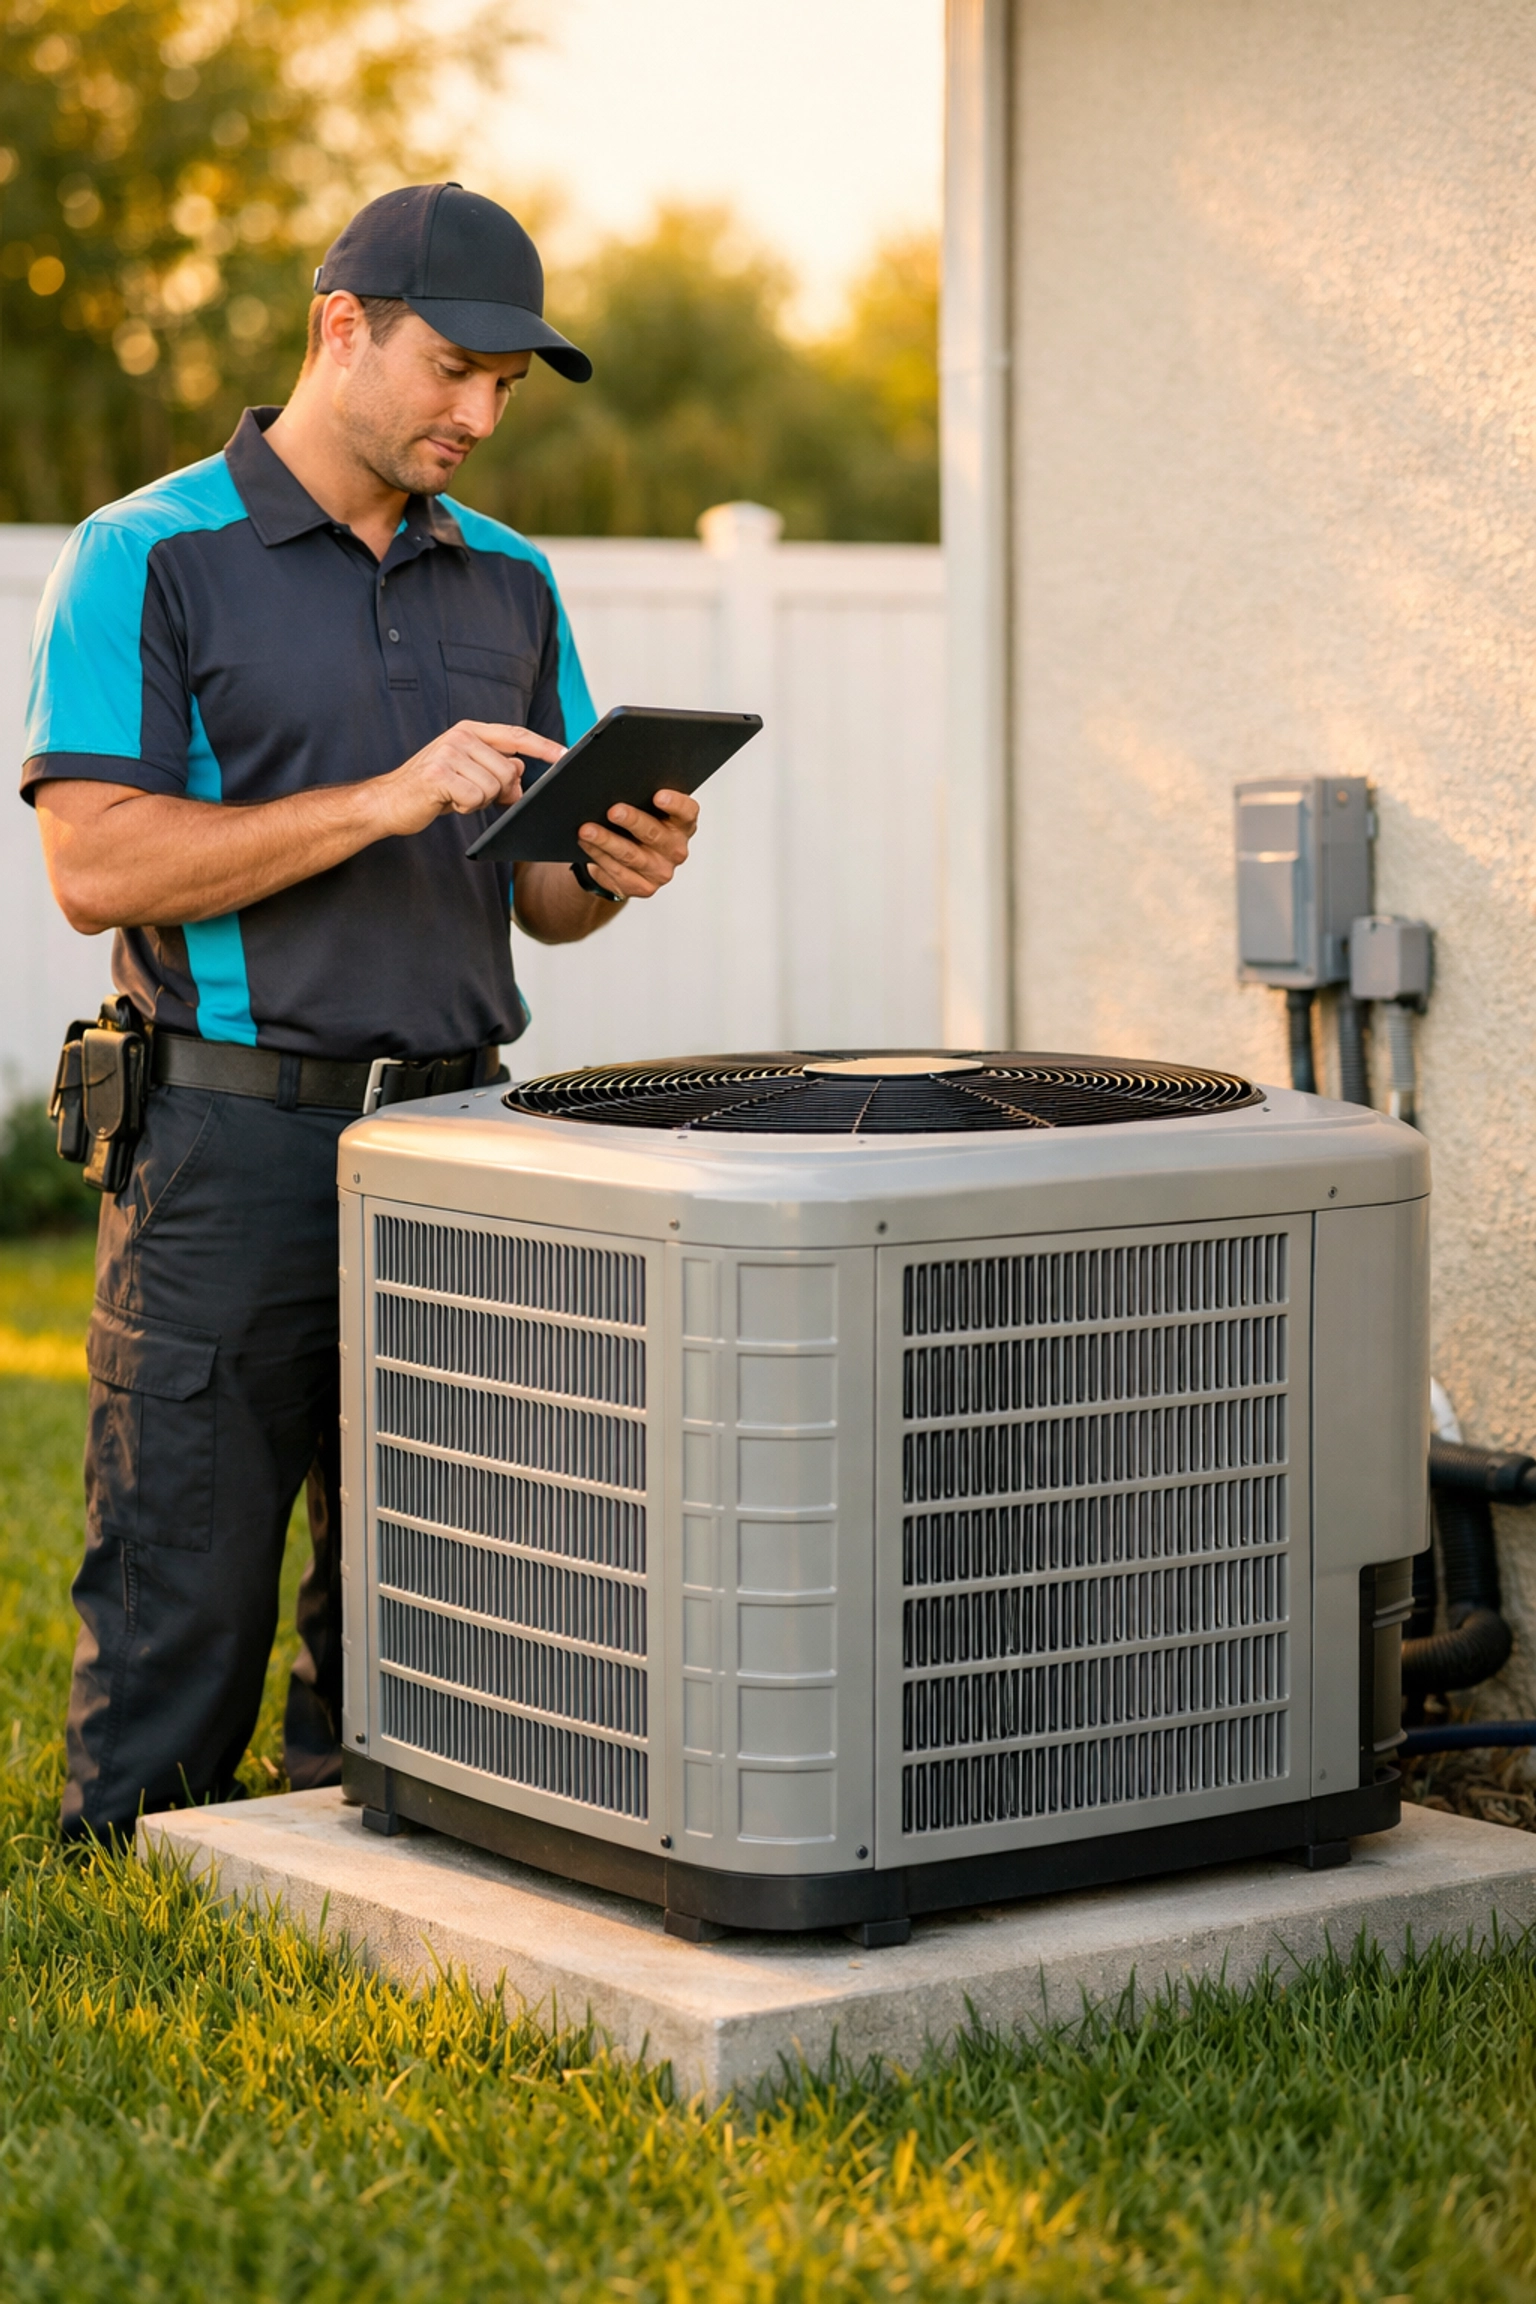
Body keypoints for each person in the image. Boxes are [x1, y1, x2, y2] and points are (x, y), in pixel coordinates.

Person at [22, 183, 701, 1842]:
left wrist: (620, 857)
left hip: (468, 1133)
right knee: (187, 1562)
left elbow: (544, 897)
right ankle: (141, 1862)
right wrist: (383, 798)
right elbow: (94, 863)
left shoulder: (514, 581)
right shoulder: (148, 554)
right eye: (453, 370)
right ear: (342, 328)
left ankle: (384, 1846)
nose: (477, 416)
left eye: (506, 391)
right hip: (230, 1142)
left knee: (441, 1570)